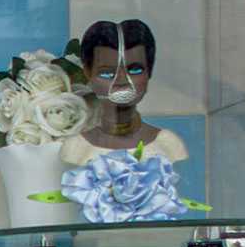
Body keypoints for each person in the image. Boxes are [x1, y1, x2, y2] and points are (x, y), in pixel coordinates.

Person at [61, 19, 187, 168]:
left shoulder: (168, 145)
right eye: (107, 73)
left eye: (135, 70)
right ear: (88, 73)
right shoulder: (76, 148)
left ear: (149, 72)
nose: (121, 81)